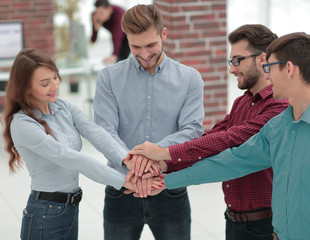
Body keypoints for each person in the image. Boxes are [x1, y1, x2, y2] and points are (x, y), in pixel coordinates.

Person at [129, 24, 289, 240]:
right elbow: (210, 140)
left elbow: (229, 140)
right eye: (230, 61)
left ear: (262, 59)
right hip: (234, 222)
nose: (232, 69)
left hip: (263, 227)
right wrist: (163, 165)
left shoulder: (279, 106)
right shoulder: (242, 103)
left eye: (237, 60)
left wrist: (164, 152)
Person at [159, 32, 310, 240]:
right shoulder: (277, 127)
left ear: (290, 69)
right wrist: (164, 180)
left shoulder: (275, 113)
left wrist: (165, 155)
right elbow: (231, 162)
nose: (267, 75)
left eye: (270, 68)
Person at [1, 48, 157, 240]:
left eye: (55, 77)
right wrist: (125, 181)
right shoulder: (23, 124)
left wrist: (127, 160)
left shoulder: (64, 107)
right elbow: (72, 159)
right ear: (26, 88)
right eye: (44, 83)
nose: (54, 86)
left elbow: (96, 132)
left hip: (70, 209)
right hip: (44, 214)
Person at [93, 4, 205, 240]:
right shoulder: (108, 78)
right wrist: (133, 163)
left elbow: (192, 130)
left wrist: (155, 156)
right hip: (121, 188)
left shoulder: (190, 79)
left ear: (163, 34)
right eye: (136, 46)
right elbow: (104, 130)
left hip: (170, 190)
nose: (144, 54)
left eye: (151, 45)